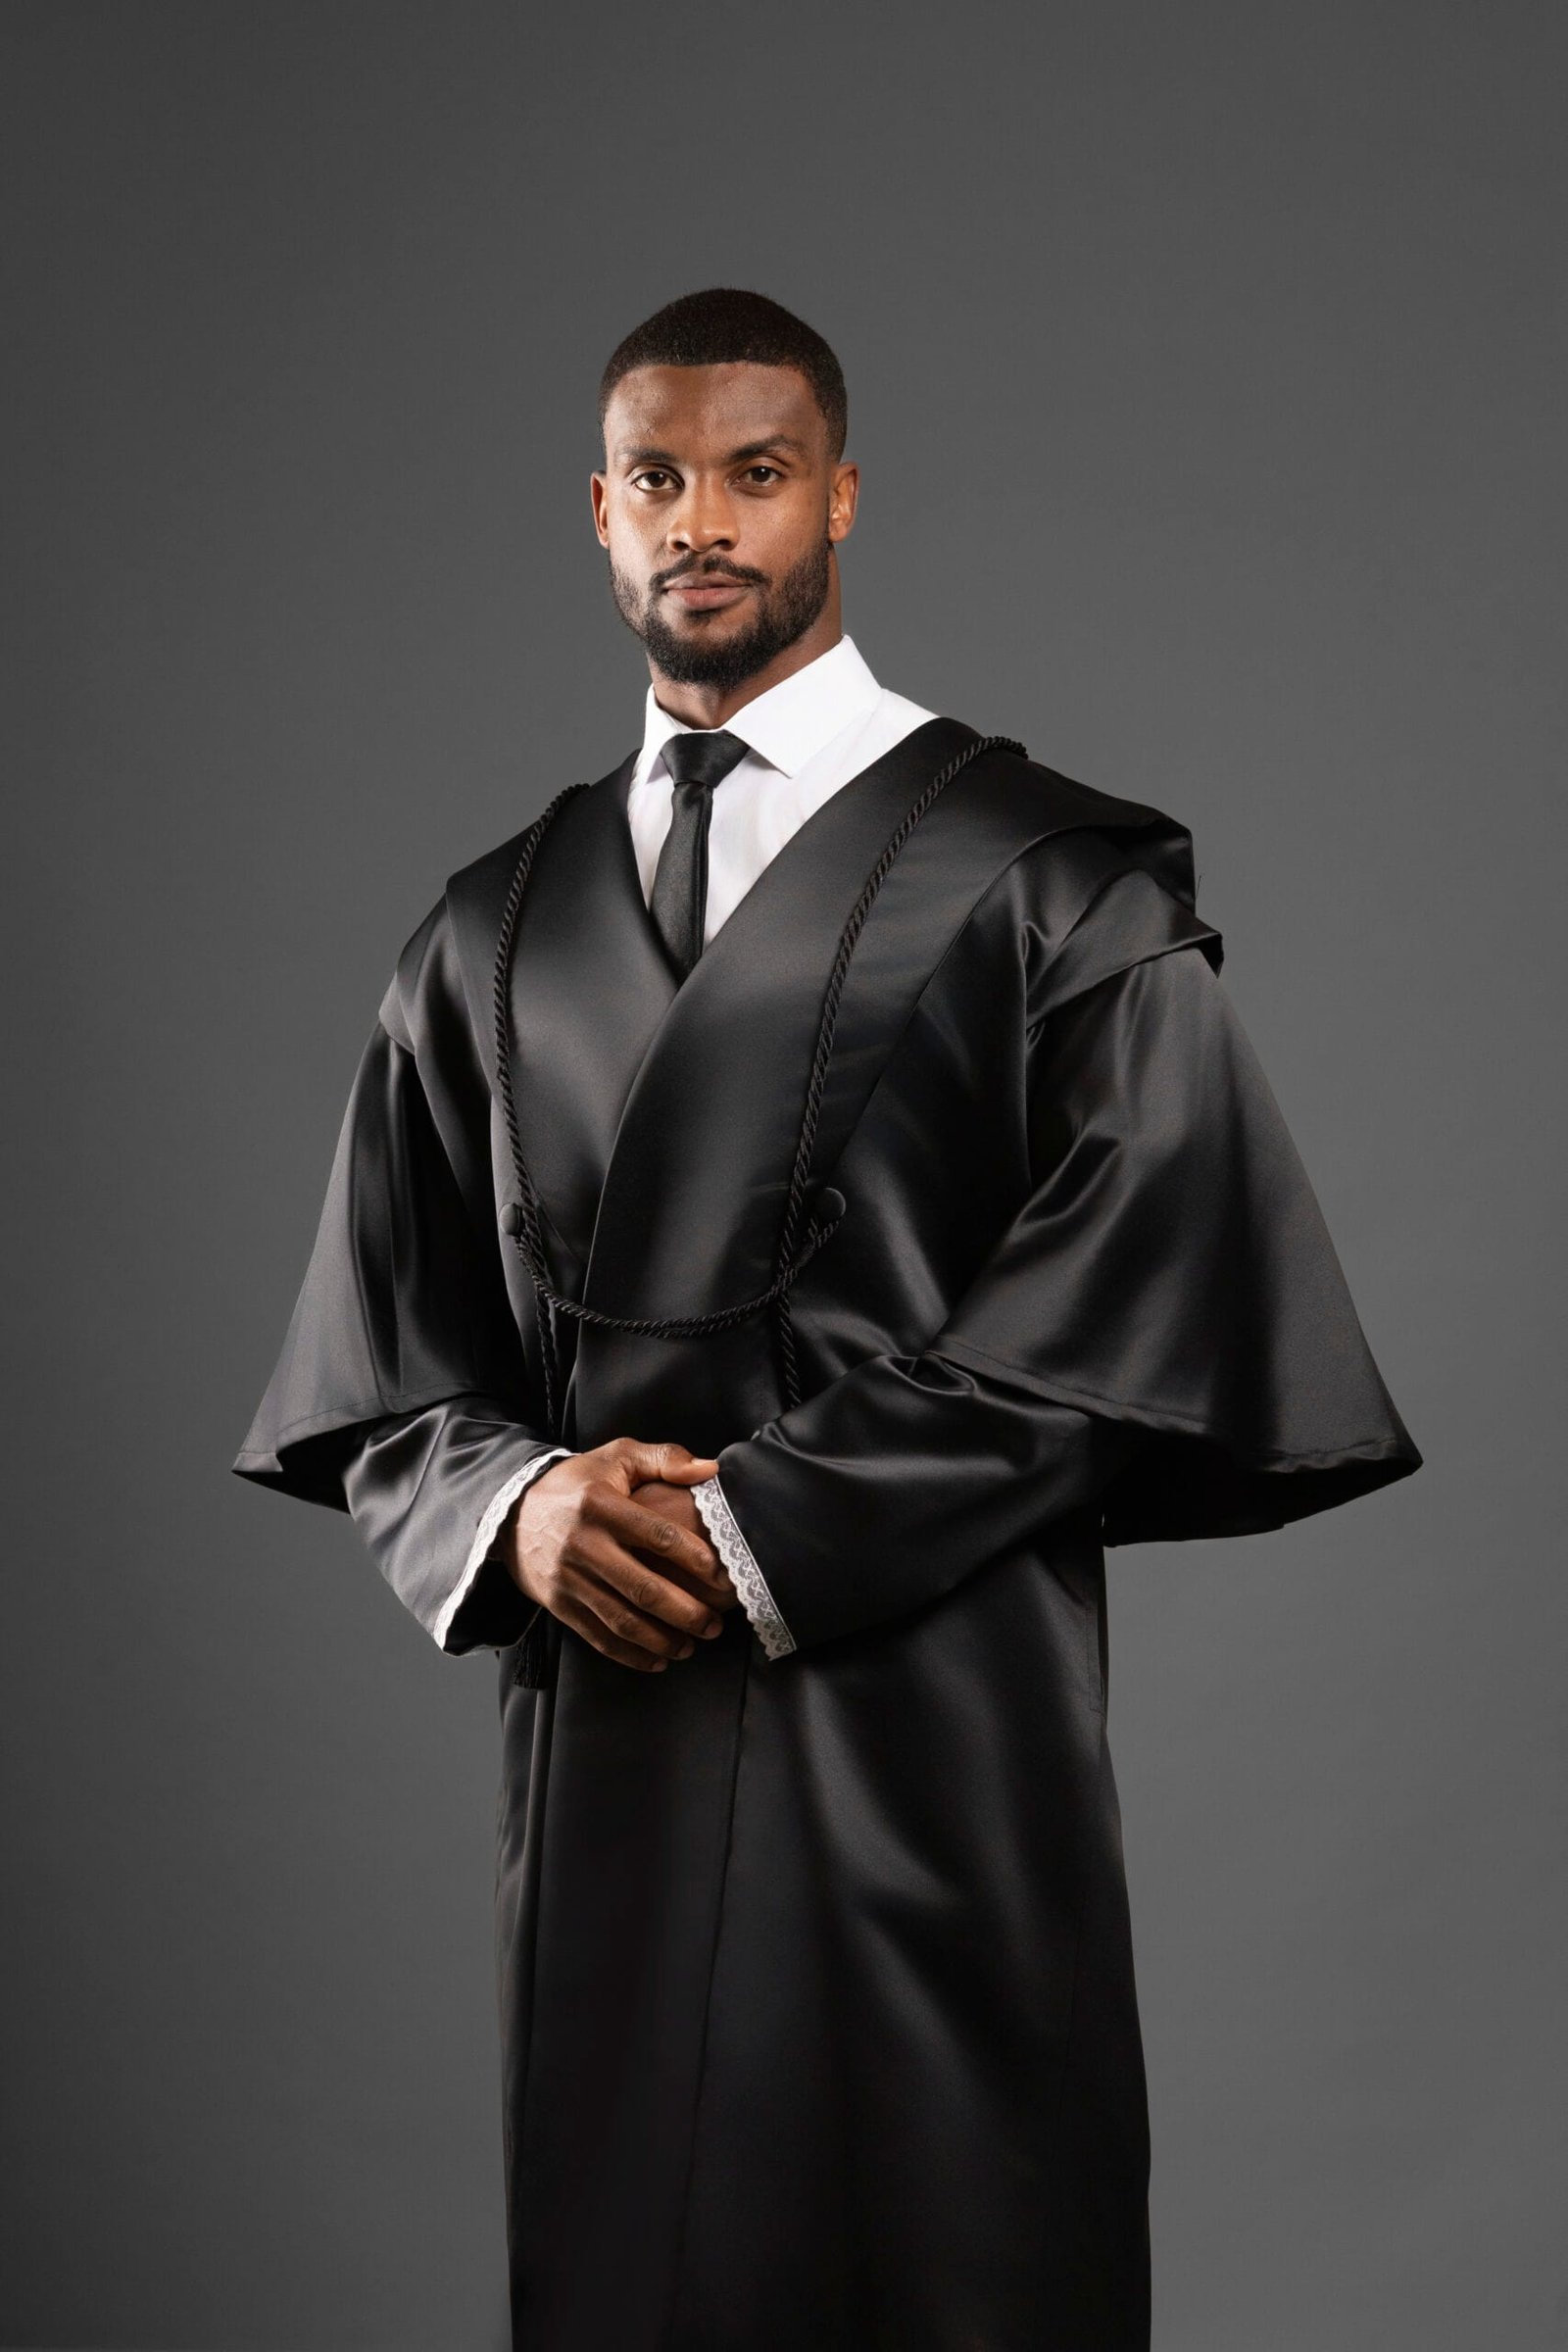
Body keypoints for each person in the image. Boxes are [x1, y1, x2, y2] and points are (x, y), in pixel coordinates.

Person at [234, 286, 1421, 2350]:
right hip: (604, 1739)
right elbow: (388, 1358)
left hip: (931, 1724)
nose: (702, 522)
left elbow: (1132, 1290)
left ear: (841, 497)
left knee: (950, 2261)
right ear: (597, 511)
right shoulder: (485, 931)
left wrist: (756, 1526)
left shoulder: (1046, 882)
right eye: (657, 479)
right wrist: (519, 1509)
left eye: (756, 474)